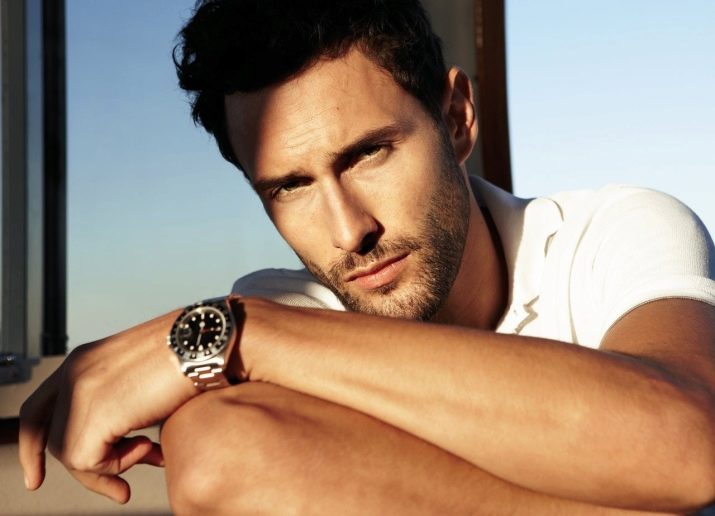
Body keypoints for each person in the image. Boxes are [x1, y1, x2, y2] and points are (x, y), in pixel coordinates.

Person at [19, 0, 715, 514]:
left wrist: (251, 333)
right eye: (290, 187)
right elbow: (221, 465)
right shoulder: (286, 304)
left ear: (456, 119)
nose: (348, 231)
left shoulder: (611, 231)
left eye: (367, 154)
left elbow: (690, 442)